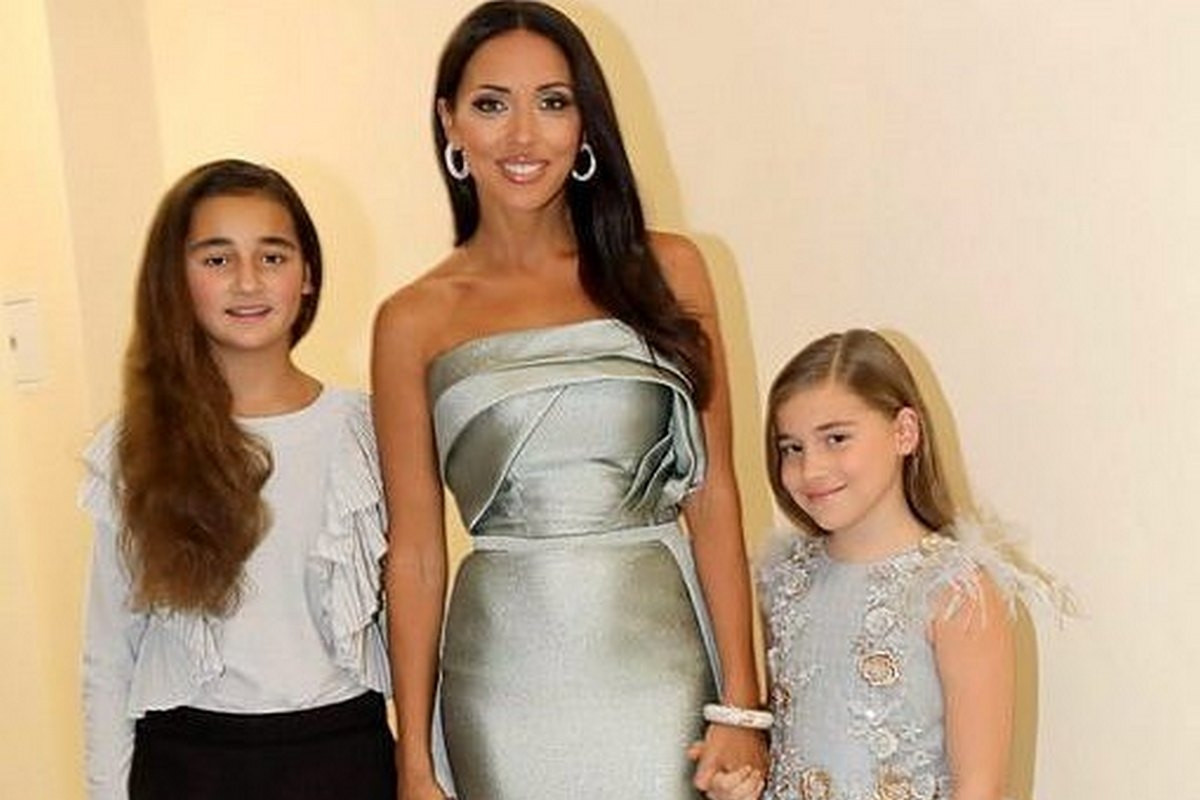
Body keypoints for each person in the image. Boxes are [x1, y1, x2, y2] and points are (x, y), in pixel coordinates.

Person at [371, 2, 767, 797]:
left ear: (586, 123)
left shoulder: (671, 271)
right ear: (449, 122)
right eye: (492, 104)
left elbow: (713, 493)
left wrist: (742, 704)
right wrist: (413, 757)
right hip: (501, 684)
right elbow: (414, 554)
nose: (523, 136)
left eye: (552, 102)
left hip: (661, 662)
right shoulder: (411, 321)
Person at [80, 159, 392, 800]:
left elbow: (411, 623)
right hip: (188, 765)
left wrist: (426, 765)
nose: (248, 281)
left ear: (307, 274)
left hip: (345, 757)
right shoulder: (137, 445)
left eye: (273, 257)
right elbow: (108, 656)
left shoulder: (368, 431)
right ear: (176, 279)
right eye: (217, 259)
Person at [757, 329, 1052, 800]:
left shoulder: (954, 589)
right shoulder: (783, 581)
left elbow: (980, 786)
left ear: (904, 432)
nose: (811, 469)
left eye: (836, 438)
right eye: (792, 447)